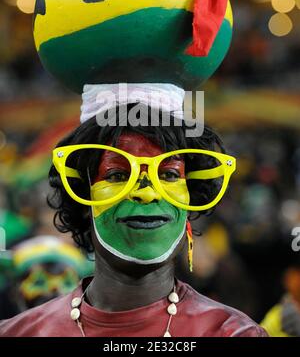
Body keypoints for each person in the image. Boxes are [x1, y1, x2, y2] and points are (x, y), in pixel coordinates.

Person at [0, 106, 267, 337]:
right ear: (83, 199)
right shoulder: (16, 332)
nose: (147, 193)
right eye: (117, 175)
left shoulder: (232, 333)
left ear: (189, 203)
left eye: (170, 175)